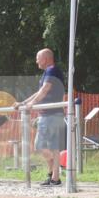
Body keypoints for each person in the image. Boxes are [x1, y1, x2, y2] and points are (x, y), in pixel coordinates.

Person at [16, 48, 66, 187]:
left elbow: (45, 90)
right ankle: (53, 175)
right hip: (46, 114)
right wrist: (24, 103)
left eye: (38, 58)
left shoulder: (52, 70)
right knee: (43, 146)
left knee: (47, 146)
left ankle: (55, 176)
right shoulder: (47, 72)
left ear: (45, 58)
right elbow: (39, 91)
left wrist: (32, 104)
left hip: (52, 114)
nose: (36, 61)